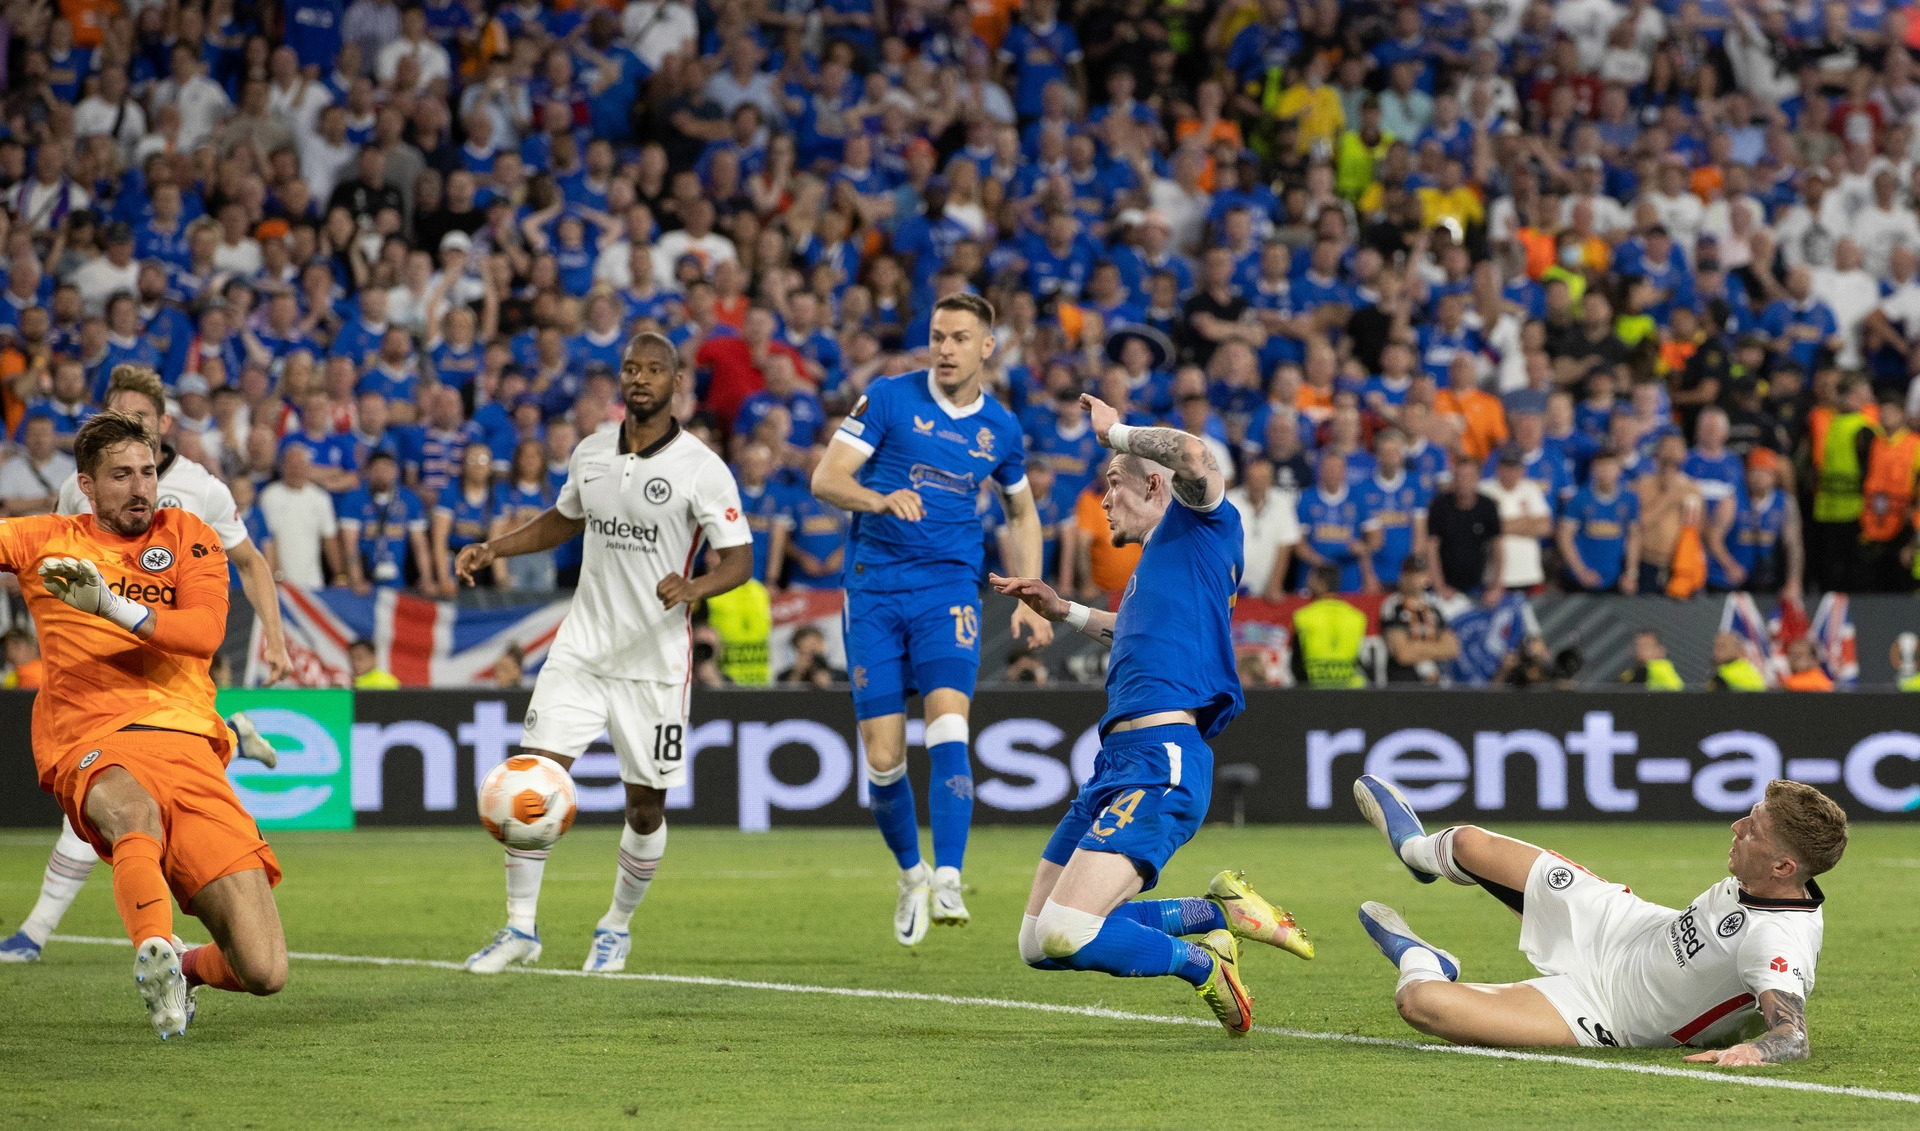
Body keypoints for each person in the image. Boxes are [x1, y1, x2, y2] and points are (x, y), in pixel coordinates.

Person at [990, 394, 1314, 1037]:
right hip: (1117, 763)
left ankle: (1201, 965)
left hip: (1162, 758)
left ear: (1155, 483)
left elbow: (1197, 453)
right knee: (1037, 941)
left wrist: (1119, 433)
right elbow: (1135, 631)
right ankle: (1213, 913)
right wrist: (1067, 613)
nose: (1105, 499)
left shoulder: (1200, 525)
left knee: (1065, 931)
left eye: (1115, 482)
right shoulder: (1156, 569)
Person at [453, 332, 754, 975]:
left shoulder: (702, 467)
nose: (639, 378)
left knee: (645, 808)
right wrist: (496, 548)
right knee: (533, 777)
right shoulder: (590, 452)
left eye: (653, 370)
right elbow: (565, 518)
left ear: (676, 384)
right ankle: (519, 929)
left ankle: (615, 925)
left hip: (655, 663)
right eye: (630, 368)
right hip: (581, 651)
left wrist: (695, 586)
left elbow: (741, 559)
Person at [0, 412, 289, 1036]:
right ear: (86, 484)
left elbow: (205, 632)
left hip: (191, 745)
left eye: (149, 472)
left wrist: (111, 605)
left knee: (264, 970)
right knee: (134, 815)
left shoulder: (188, 533)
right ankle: (154, 957)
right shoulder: (46, 540)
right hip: (94, 737)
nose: (141, 488)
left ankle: (180, 966)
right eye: (122, 475)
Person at [809, 293, 1052, 946]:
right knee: (884, 757)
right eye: (937, 334)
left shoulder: (1000, 427)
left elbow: (1022, 513)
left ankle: (949, 874)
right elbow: (827, 478)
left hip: (949, 591)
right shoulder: (889, 397)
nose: (944, 348)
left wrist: (1029, 594)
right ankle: (912, 871)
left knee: (949, 726)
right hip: (875, 590)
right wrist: (878, 498)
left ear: (986, 347)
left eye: (958, 337)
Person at [1353, 773, 1846, 1062]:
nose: (1736, 827)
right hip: (1626, 927)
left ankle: (1422, 958)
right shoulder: (1767, 878)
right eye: (1749, 815)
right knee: (1467, 843)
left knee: (1421, 1003)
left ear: (1784, 867)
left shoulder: (1777, 938)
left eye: (1753, 829)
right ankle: (1416, 851)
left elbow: (1793, 1035)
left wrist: (1756, 1052)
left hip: (1609, 1011)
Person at [1379, 553, 1457, 684]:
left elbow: (1452, 648)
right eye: (1409, 573)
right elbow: (1402, 653)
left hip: (1435, 682)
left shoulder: (1435, 607)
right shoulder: (1393, 606)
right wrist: (1436, 647)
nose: (1413, 578)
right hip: (1404, 683)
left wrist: (1415, 647)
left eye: (1419, 573)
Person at [1290, 564, 1368, 687]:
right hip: (1350, 688)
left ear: (1321, 584)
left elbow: (1296, 663)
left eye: (1311, 579)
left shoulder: (1302, 617)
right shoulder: (1357, 616)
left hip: (1315, 689)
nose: (1307, 583)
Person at [1618, 630, 1684, 689]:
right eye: (1638, 645)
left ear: (1660, 651)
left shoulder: (1661, 671)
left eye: (1646, 645)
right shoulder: (1629, 673)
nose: (1641, 649)